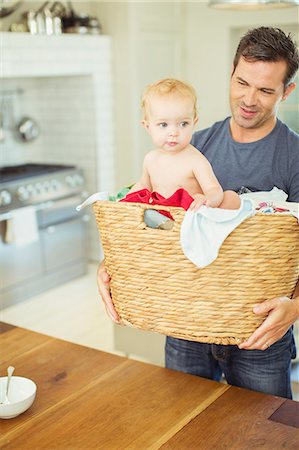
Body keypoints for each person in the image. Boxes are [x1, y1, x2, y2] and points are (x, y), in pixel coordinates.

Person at [97, 26, 299, 399]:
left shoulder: (294, 156)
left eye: (266, 90)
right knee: (182, 428)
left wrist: (296, 307)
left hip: (258, 335)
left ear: (287, 91)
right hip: (184, 326)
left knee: (263, 436)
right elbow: (149, 216)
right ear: (232, 73)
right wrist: (113, 265)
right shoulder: (190, 145)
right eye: (241, 82)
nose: (249, 99)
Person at [128, 78, 240, 212]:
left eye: (183, 124)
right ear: (148, 127)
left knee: (231, 198)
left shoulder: (195, 159)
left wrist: (207, 199)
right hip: (163, 216)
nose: (174, 132)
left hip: (191, 213)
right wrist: (125, 201)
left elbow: (214, 189)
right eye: (163, 125)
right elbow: (144, 185)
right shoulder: (150, 159)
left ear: (194, 122)